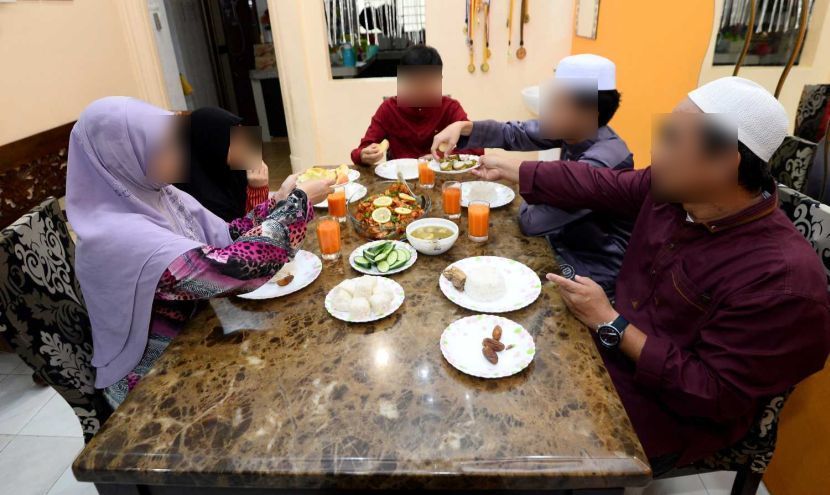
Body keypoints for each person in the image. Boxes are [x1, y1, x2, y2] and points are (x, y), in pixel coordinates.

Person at [470, 77, 830, 473]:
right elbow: (600, 183)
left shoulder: (783, 280)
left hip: (668, 413)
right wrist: (516, 169)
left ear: (725, 161)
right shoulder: (674, 190)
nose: (656, 151)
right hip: (609, 350)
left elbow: (712, 394)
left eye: (673, 140)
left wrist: (611, 322)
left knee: (518, 440)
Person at [66, 97, 333, 407]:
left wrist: (277, 202)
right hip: (154, 379)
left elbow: (227, 235)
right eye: (164, 145)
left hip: (198, 330)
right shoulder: (117, 236)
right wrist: (298, 204)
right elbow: (232, 268)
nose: (182, 153)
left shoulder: (160, 194)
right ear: (122, 157)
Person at [431, 54, 633, 295]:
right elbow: (514, 132)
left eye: (557, 104)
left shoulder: (606, 160)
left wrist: (524, 179)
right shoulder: (574, 129)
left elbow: (532, 221)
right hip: (559, 243)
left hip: (590, 273)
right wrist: (463, 127)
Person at [350, 44, 480, 166]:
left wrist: (442, 156)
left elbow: (477, 148)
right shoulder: (389, 108)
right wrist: (363, 155)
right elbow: (359, 152)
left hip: (440, 179)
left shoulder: (450, 108)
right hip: (400, 182)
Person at [175, 107, 271, 222]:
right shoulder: (189, 196)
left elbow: (263, 219)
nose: (244, 143)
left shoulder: (236, 169)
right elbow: (246, 234)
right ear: (211, 145)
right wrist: (257, 191)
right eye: (234, 138)